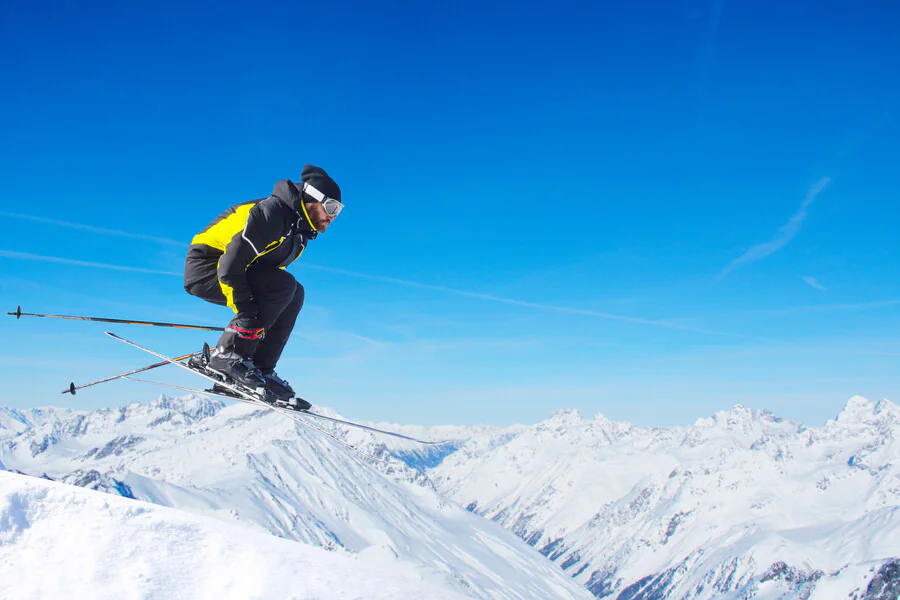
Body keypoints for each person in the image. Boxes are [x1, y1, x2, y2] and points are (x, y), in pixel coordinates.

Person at [182, 165, 342, 401]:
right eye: (331, 207)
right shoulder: (272, 214)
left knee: (295, 292)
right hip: (207, 264)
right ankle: (228, 356)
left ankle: (259, 367)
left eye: (339, 211)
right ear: (311, 198)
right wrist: (246, 315)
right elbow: (229, 265)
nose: (333, 216)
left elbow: (269, 282)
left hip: (237, 270)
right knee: (284, 286)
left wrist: (257, 323)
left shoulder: (298, 236)